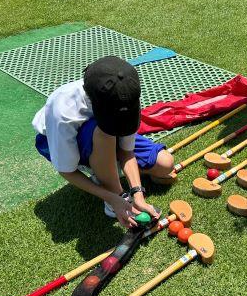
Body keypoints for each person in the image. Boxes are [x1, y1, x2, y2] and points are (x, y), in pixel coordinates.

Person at [32, 56, 175, 228]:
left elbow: (126, 151)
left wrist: (138, 194)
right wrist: (113, 198)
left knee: (165, 163)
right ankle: (113, 188)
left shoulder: (126, 94)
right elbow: (66, 171)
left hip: (105, 136)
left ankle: (106, 169)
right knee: (102, 132)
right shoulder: (63, 110)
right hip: (57, 141)